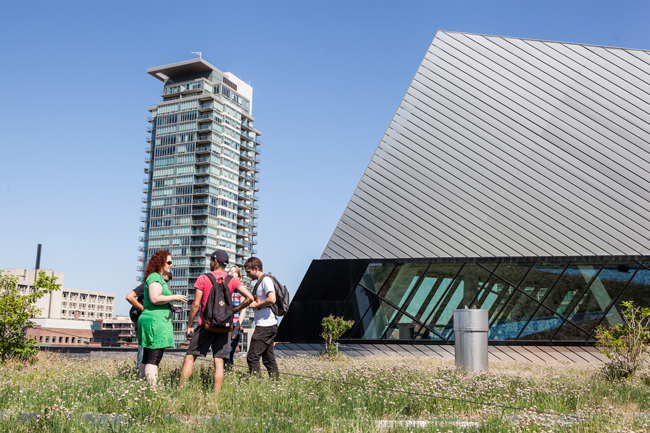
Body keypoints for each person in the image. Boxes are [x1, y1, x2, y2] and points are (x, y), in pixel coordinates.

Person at [179, 250, 253, 396]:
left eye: (211, 259)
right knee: (219, 362)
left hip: (206, 325)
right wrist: (235, 310)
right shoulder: (232, 280)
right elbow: (250, 297)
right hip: (224, 327)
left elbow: (195, 305)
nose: (210, 262)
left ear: (215, 261)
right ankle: (215, 398)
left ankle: (181, 393)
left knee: (190, 357)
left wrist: (189, 326)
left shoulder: (204, 278)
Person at [138, 250, 187, 383]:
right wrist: (175, 297)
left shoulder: (155, 278)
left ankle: (142, 386)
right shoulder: (155, 277)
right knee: (154, 359)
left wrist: (170, 307)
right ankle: (152, 390)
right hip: (156, 322)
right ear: (160, 263)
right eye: (169, 262)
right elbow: (154, 298)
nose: (171, 265)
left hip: (152, 319)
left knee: (147, 357)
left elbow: (155, 301)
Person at [126, 272, 173, 372]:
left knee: (147, 356)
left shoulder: (157, 285)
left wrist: (172, 308)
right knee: (147, 355)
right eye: (165, 280)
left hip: (151, 322)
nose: (164, 283)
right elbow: (129, 296)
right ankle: (145, 376)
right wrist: (143, 309)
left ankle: (143, 378)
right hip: (148, 323)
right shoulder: (151, 282)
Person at [244, 257, 279, 379]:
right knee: (268, 359)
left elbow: (272, 299)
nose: (247, 275)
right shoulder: (260, 282)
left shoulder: (266, 280)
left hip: (266, 325)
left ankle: (255, 385)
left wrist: (256, 304)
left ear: (256, 268)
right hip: (266, 325)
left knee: (252, 357)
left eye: (248, 272)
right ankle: (276, 384)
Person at [225, 265, 247, 370]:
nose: (231, 273)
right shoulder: (225, 288)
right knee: (223, 351)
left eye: (234, 272)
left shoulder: (240, 290)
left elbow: (244, 309)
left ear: (239, 277)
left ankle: (228, 370)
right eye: (230, 271)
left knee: (230, 352)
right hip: (224, 324)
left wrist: (238, 325)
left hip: (234, 325)